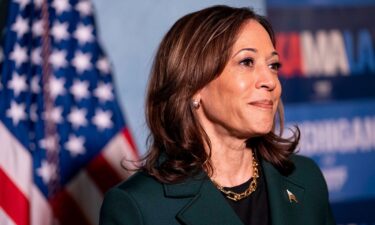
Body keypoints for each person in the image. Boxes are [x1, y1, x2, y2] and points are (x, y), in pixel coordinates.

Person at [99, 5, 335, 225]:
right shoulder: (137, 207)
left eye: (273, 65)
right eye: (247, 62)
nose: (270, 81)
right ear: (193, 85)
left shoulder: (305, 177)